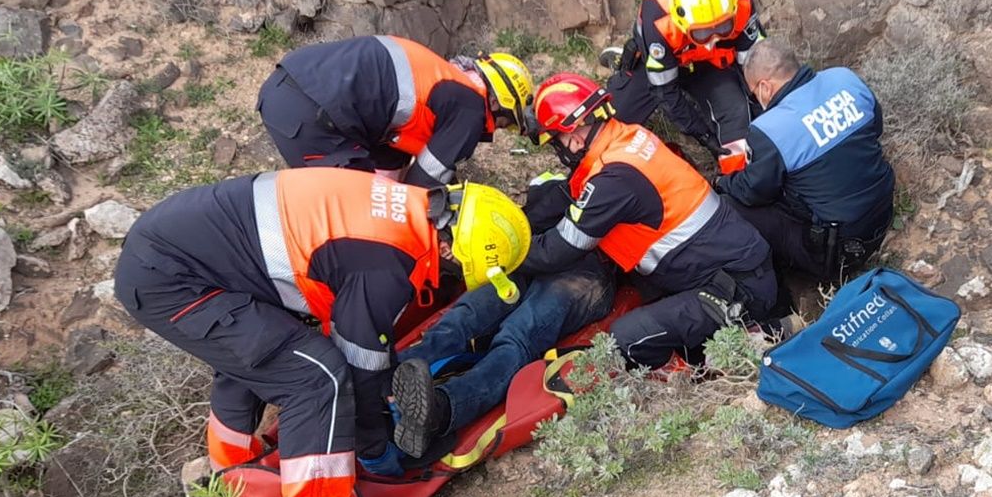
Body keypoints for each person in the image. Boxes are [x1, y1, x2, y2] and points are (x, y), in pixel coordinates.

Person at [113, 168, 529, 497]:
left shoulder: (403, 207)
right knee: (316, 378)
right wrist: (377, 448)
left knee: (256, 362)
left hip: (177, 253)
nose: (454, 277)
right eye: (460, 270)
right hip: (174, 278)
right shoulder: (387, 261)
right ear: (448, 248)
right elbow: (357, 364)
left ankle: (234, 480)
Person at [519, 72, 783, 369]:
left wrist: (504, 253)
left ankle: (700, 367)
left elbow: (556, 250)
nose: (559, 150)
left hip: (734, 289)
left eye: (557, 141)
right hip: (735, 264)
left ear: (575, 136)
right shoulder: (627, 137)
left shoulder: (612, 178)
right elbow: (570, 193)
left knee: (627, 338)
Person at [388, 175, 617, 457]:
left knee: (519, 334)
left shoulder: (617, 184)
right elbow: (530, 219)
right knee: (466, 316)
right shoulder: (566, 179)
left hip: (589, 272)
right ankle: (383, 379)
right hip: (526, 255)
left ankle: (441, 410)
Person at [713, 38, 895, 285]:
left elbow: (754, 192)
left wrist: (723, 181)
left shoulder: (770, 130)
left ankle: (781, 279)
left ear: (765, 87)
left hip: (836, 252)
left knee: (728, 204)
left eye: (755, 93)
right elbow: (876, 129)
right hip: (883, 217)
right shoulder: (845, 79)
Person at [256, 36, 533, 187]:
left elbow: (391, 156)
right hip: (313, 113)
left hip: (285, 90)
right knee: (356, 213)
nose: (498, 128)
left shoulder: (440, 78)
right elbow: (423, 182)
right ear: (497, 103)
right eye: (506, 122)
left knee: (354, 198)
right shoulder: (470, 108)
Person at [602, 0, 766, 160]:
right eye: (702, 32)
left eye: (723, 28)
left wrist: (760, 113)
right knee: (613, 122)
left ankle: (737, 183)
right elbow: (665, 92)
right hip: (663, 63)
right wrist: (703, 135)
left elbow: (757, 68)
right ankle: (624, 65)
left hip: (710, 66)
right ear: (680, 20)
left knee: (737, 116)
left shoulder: (742, 3)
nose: (712, 40)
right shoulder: (658, 19)